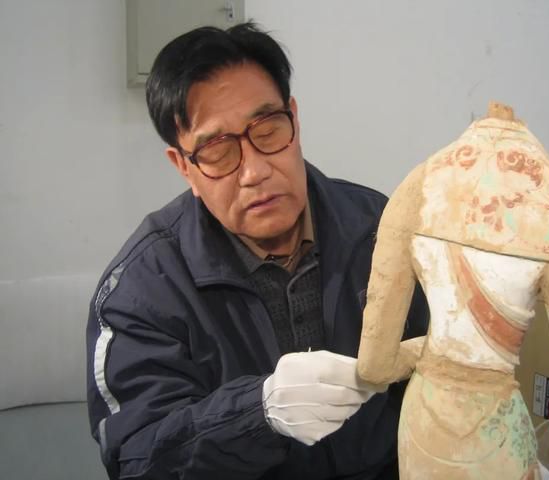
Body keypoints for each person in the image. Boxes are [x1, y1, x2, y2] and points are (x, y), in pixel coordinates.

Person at [86, 22, 427, 480]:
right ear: (183, 166)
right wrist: (256, 413)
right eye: (217, 150)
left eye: (267, 130)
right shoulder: (142, 290)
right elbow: (138, 458)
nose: (254, 172)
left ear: (295, 120)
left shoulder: (380, 232)